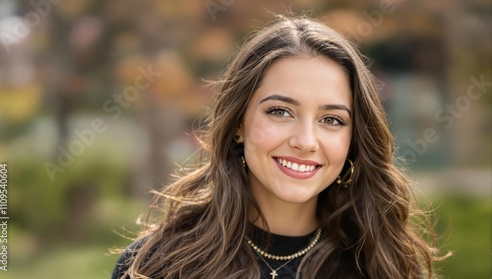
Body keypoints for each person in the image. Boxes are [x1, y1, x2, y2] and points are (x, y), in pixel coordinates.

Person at [112, 15, 442, 279]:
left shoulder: (385, 266)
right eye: (280, 112)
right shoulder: (155, 266)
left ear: (354, 140)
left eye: (331, 120)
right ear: (239, 123)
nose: (305, 142)